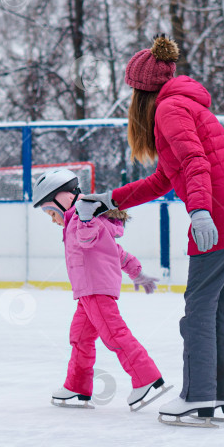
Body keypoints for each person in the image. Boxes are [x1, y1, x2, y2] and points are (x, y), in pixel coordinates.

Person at [76, 34, 224, 427]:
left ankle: (198, 398)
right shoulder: (184, 104)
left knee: (198, 310)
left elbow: (197, 163)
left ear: (141, 91)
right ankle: (223, 396)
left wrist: (200, 213)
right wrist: (109, 199)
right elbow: (164, 179)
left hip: (221, 215)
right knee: (218, 308)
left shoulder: (169, 109)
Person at [32, 167, 171, 410]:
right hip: (87, 293)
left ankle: (146, 378)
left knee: (114, 334)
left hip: (95, 290)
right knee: (80, 338)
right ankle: (77, 386)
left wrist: (84, 219)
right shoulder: (82, 220)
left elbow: (87, 240)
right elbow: (116, 252)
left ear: (63, 200)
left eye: (52, 213)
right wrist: (137, 273)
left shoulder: (84, 220)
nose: (54, 220)